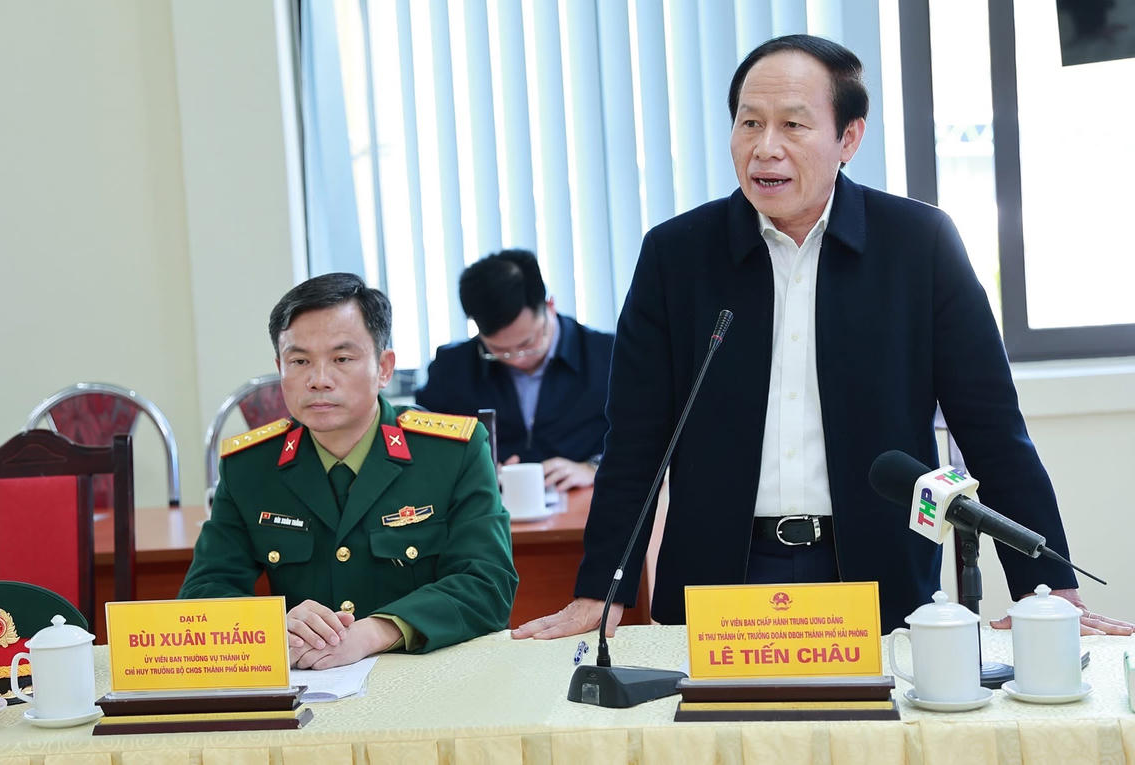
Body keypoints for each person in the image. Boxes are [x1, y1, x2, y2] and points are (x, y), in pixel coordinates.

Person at [513, 34, 1133, 638]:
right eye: (749, 124)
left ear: (849, 138)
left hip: (875, 572)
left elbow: (991, 428)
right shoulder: (676, 256)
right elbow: (636, 440)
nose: (766, 148)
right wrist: (602, 589)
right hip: (719, 576)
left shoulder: (919, 245)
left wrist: (1046, 590)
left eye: (793, 125)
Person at [181, 273, 518, 668]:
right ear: (279, 367)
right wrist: (271, 627)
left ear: (384, 368)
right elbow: (203, 594)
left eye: (341, 359)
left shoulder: (452, 453)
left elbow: (488, 584)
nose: (319, 380)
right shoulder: (250, 466)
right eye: (299, 361)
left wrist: (377, 631)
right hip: (307, 682)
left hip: (426, 674)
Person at [415, 249, 614, 491]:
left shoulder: (609, 355)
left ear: (549, 306)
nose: (517, 359)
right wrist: (469, 468)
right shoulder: (451, 368)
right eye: (498, 350)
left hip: (585, 501)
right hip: (490, 506)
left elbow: (644, 438)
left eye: (527, 344)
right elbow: (422, 444)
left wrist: (595, 467)